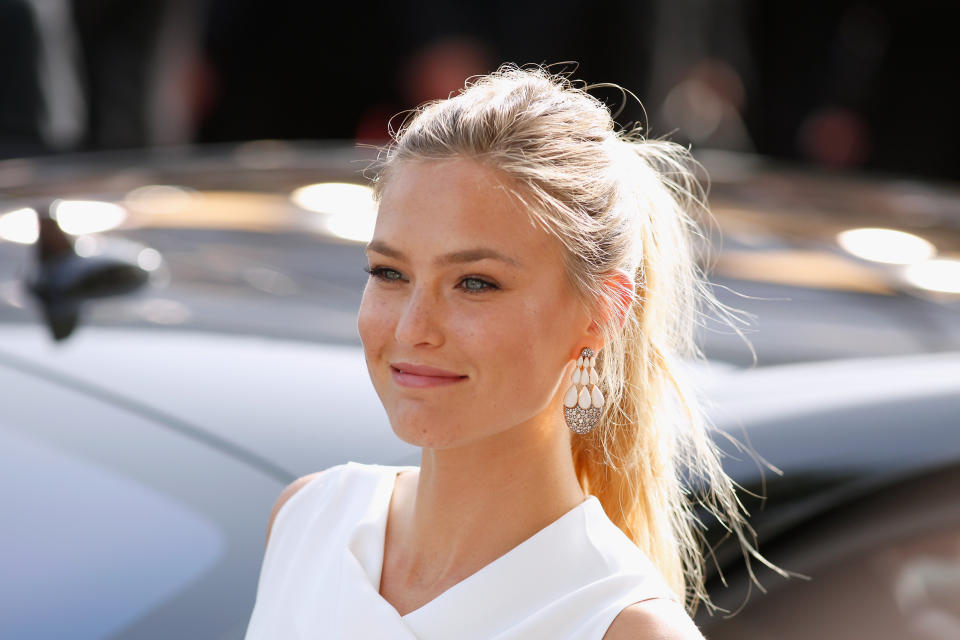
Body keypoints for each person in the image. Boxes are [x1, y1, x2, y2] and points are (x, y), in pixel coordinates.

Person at [244, 63, 773, 639]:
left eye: (475, 282)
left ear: (603, 312)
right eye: (389, 272)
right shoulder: (309, 519)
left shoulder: (624, 627)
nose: (413, 327)